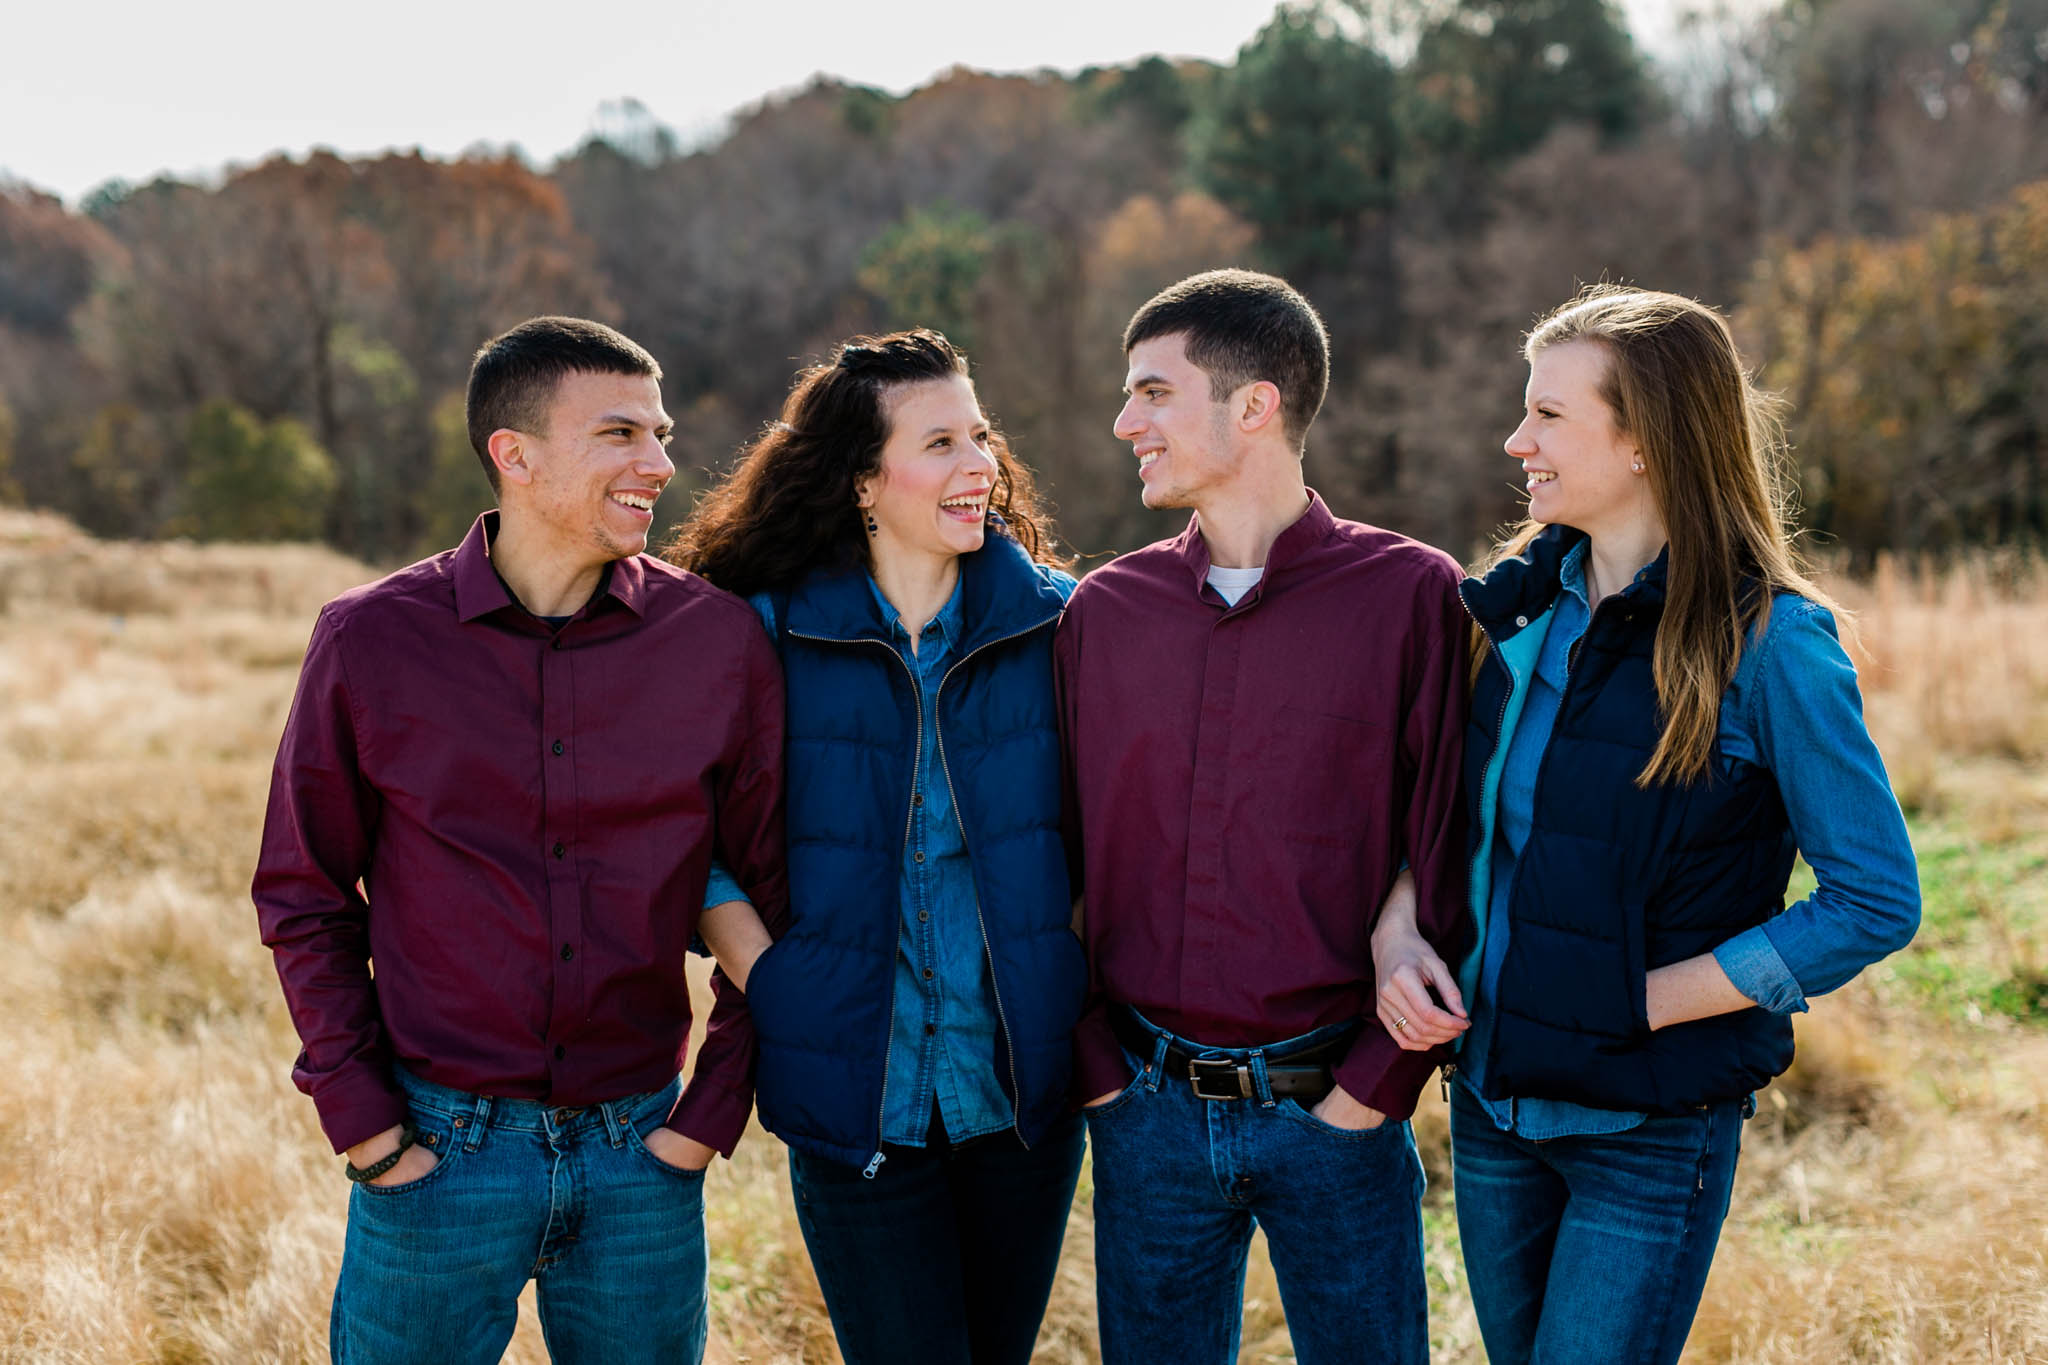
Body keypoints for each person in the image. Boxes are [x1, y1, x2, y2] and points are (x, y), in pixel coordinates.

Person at [1374, 285, 1923, 1365]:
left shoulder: (1770, 646)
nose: (1513, 440)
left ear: (1642, 443)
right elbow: (1443, 819)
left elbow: (1875, 897)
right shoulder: (1512, 614)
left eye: (1547, 416)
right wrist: (1400, 935)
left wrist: (1647, 1000)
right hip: (1494, 1110)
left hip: (1648, 1133)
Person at [251, 316, 785, 1365]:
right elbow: (303, 892)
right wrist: (367, 1128)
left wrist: (705, 1118)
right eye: (621, 433)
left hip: (643, 1154)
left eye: (661, 432)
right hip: (437, 1152)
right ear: (517, 455)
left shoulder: (715, 643)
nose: (661, 463)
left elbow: (771, 892)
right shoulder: (371, 639)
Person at [1056, 268, 1469, 1365]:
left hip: (1337, 1108)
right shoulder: (1105, 613)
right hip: (1141, 1111)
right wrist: (1098, 1073)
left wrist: (1371, 1095)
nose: (1122, 421)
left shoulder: (1412, 596)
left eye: (1151, 391)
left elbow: (1451, 837)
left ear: (1253, 406)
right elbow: (1052, 854)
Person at [665, 328, 1088, 1365]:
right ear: (862, 480)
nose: (978, 465)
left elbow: (1114, 827)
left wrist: (1064, 964)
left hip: (1020, 1099)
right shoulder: (756, 633)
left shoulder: (1062, 624)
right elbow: (691, 830)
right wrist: (771, 978)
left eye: (979, 436)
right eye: (939, 442)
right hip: (852, 1089)